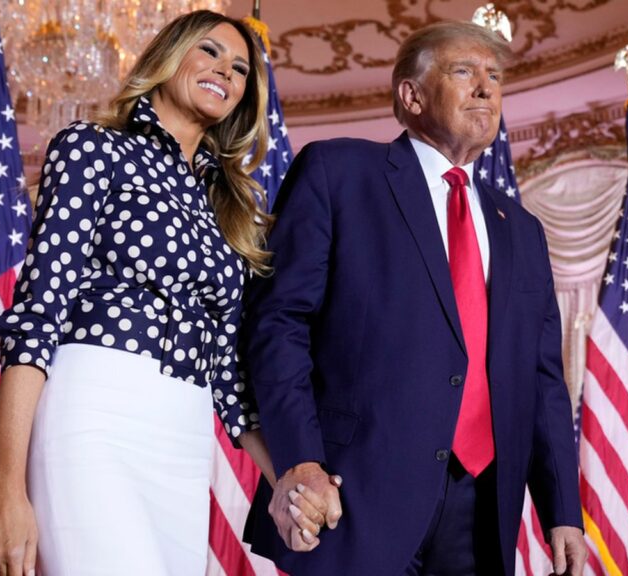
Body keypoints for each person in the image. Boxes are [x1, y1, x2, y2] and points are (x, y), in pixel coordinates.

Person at [242, 19, 587, 576]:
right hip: (351, 495)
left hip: (482, 508)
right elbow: (278, 323)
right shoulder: (339, 172)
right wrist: (298, 460)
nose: (486, 88)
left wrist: (562, 510)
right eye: (464, 72)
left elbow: (542, 378)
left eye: (494, 77)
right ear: (412, 94)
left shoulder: (521, 228)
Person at [0, 11, 315, 576]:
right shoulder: (91, 149)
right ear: (166, 57)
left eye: (239, 68)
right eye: (209, 52)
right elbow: (36, 316)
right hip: (94, 412)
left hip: (185, 435)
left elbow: (230, 376)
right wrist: (4, 488)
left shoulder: (227, 207)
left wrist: (286, 478)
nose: (225, 72)